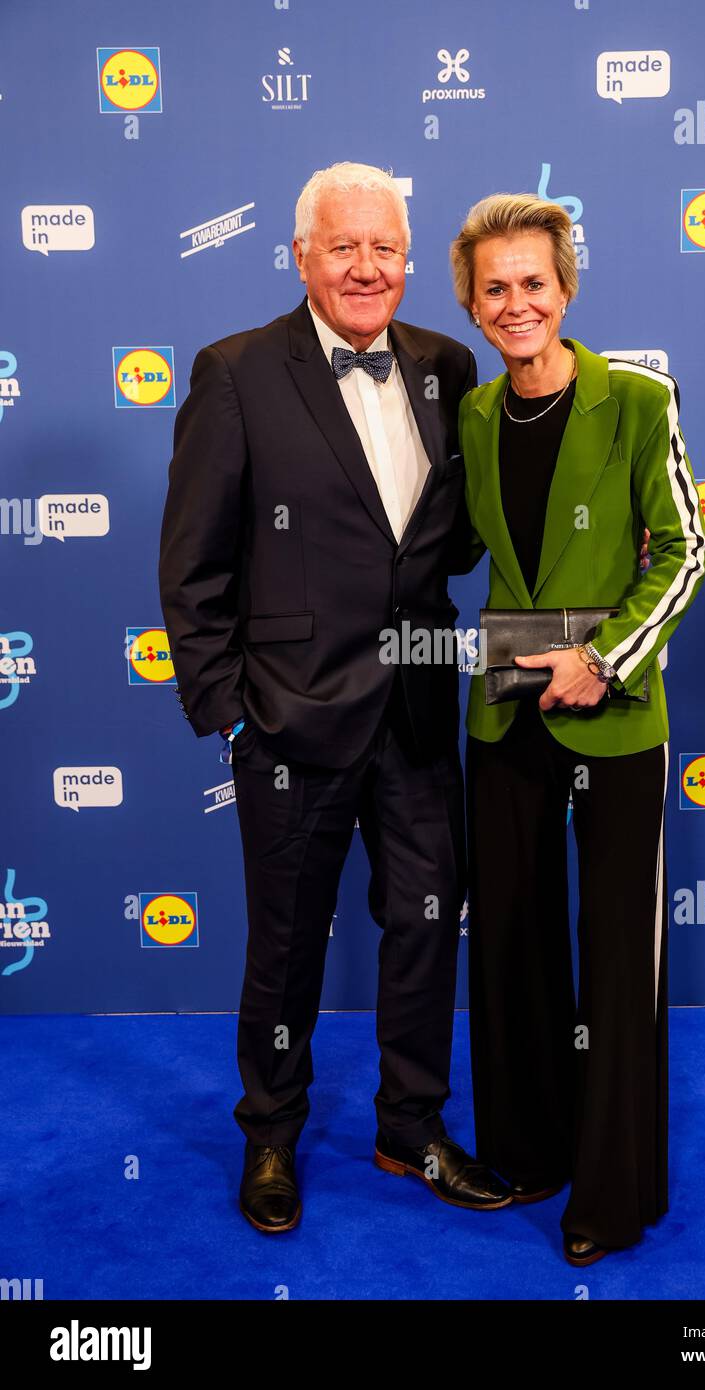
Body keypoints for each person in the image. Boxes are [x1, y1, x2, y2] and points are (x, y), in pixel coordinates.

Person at [158, 162, 514, 1233]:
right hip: (287, 719)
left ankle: (410, 1125)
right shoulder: (235, 373)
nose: (366, 267)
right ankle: (270, 1130)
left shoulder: (449, 366)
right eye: (343, 246)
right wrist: (226, 705)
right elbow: (193, 563)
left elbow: (459, 534)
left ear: (409, 262)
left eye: (385, 249)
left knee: (422, 921)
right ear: (302, 255)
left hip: (411, 710)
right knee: (285, 939)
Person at [450, 193, 705, 1265]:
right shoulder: (470, 416)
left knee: (612, 962)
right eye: (494, 287)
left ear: (565, 288)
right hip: (506, 706)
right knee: (508, 942)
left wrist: (599, 657)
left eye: (533, 283)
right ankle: (530, 1151)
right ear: (471, 303)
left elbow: (684, 549)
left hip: (612, 709)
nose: (516, 304)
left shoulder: (637, 398)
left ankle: (608, 1191)